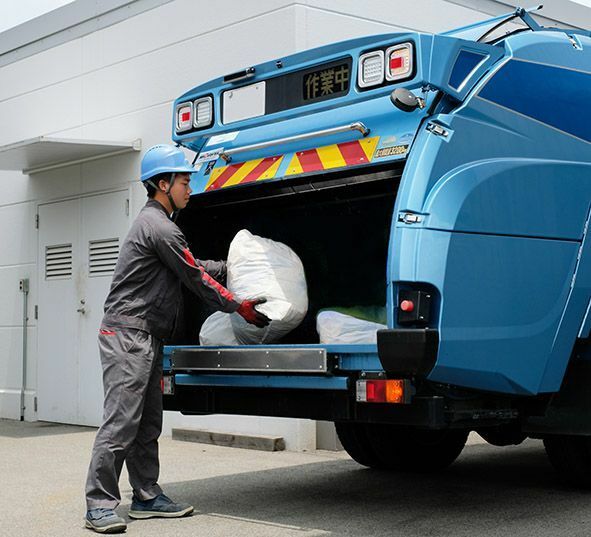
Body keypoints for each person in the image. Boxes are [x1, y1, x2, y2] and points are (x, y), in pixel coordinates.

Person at [84, 144, 269, 533]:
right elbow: (194, 278)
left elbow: (192, 265)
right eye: (185, 181)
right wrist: (239, 307)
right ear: (163, 184)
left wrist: (232, 265)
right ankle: (99, 504)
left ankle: (147, 496)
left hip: (146, 336)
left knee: (147, 422)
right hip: (128, 334)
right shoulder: (159, 226)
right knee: (121, 422)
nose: (190, 189)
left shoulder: (161, 228)